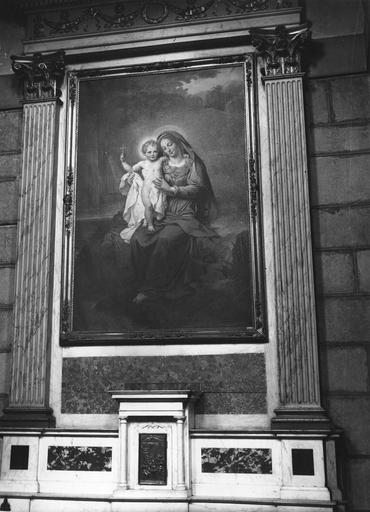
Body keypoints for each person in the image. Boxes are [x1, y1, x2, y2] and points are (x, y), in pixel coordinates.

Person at [129, 130, 218, 304]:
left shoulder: (192, 162)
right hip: (164, 212)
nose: (168, 149)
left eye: (170, 144)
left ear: (178, 142)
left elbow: (199, 189)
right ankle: (139, 283)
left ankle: (151, 289)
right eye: (164, 147)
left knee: (165, 240)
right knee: (138, 238)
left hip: (186, 213)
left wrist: (171, 190)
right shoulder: (162, 164)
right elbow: (148, 178)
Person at [119, 140, 167, 242]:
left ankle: (147, 218)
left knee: (156, 207)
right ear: (144, 153)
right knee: (148, 206)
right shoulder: (143, 163)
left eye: (155, 151)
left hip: (158, 189)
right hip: (146, 188)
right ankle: (149, 224)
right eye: (149, 152)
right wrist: (123, 162)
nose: (152, 154)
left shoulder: (161, 160)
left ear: (158, 152)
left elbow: (172, 158)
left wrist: (184, 157)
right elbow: (131, 169)